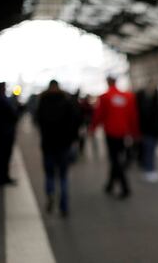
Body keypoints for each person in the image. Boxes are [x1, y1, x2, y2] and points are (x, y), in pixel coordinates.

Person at [90, 76, 139, 199]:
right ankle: (110, 184)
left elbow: (99, 114)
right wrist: (134, 132)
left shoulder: (105, 97)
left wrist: (93, 128)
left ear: (108, 82)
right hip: (123, 132)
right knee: (117, 157)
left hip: (111, 132)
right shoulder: (128, 96)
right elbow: (133, 115)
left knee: (115, 159)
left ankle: (124, 187)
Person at [36, 80, 80, 216]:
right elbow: (74, 122)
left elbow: (38, 121)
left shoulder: (42, 102)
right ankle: (64, 206)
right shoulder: (66, 102)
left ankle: (50, 194)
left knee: (49, 174)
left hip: (48, 144)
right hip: (63, 144)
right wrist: (72, 140)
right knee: (63, 176)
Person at [0, 82, 19, 186]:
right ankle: (2, 177)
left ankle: (0, 177)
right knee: (3, 156)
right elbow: (12, 114)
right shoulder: (2, 100)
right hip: (5, 132)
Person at [136, 85, 158, 183]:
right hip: (150, 132)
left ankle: (150, 169)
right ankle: (150, 170)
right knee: (150, 151)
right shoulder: (151, 104)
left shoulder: (148, 104)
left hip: (149, 131)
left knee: (150, 151)